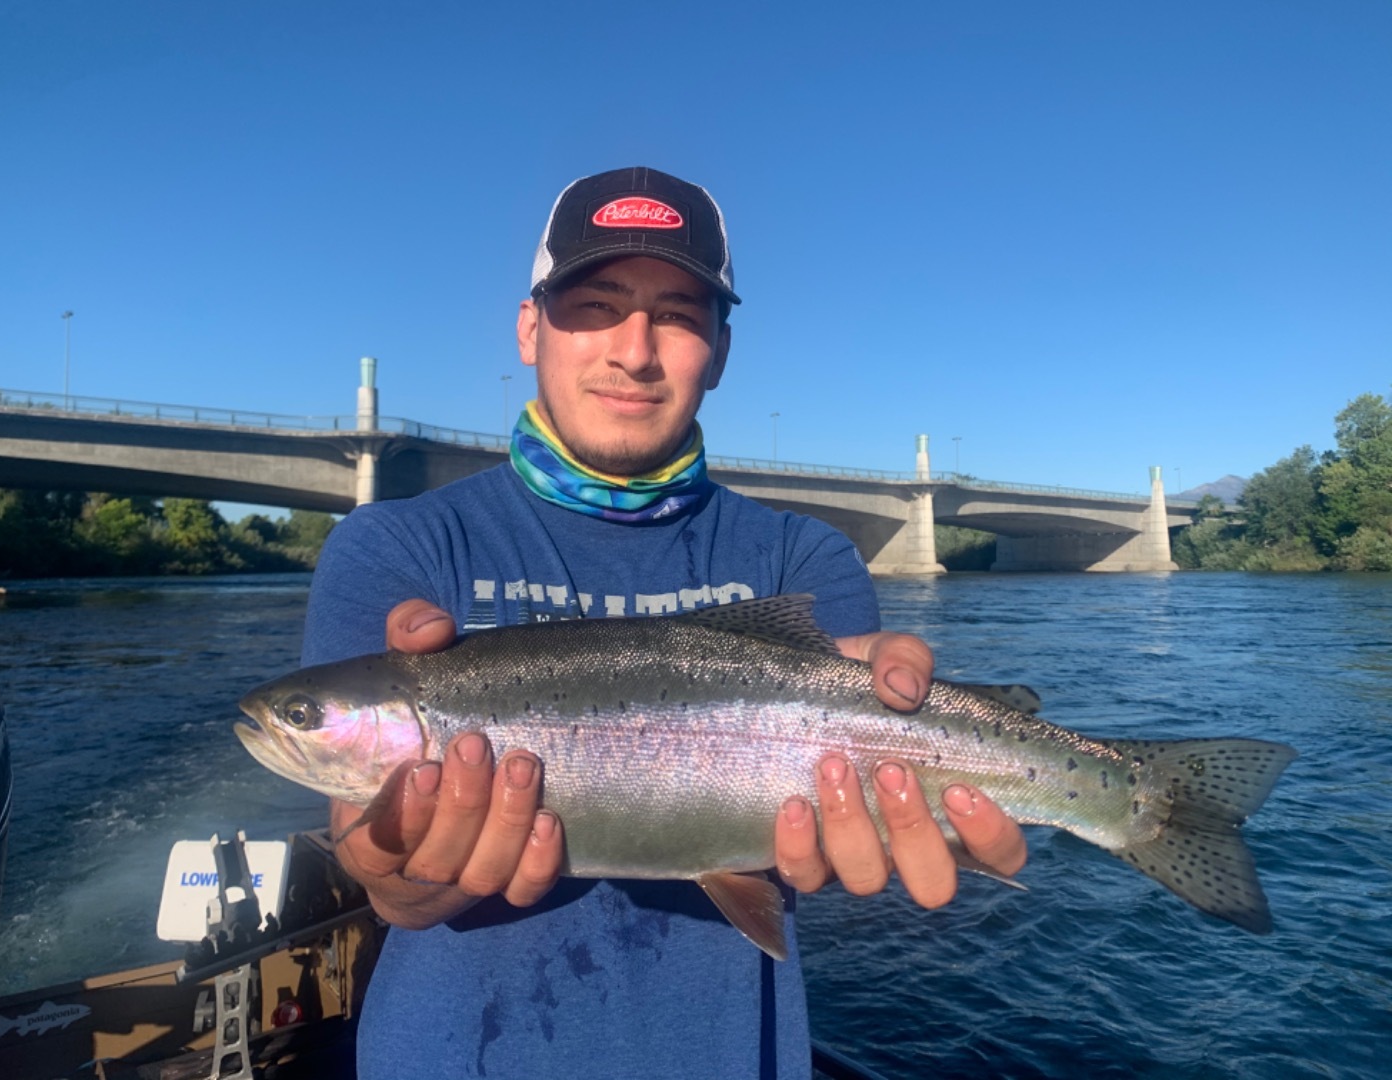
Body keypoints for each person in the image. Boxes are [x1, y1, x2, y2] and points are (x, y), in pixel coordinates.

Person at [302, 166, 1027, 1080]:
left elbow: (824, 830)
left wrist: (929, 776)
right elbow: (378, 865)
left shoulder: (807, 557)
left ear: (720, 351)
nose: (635, 350)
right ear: (531, 328)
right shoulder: (394, 546)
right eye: (597, 306)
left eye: (679, 315)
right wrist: (400, 876)